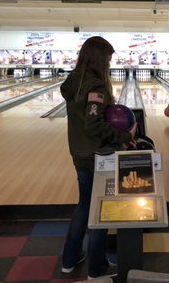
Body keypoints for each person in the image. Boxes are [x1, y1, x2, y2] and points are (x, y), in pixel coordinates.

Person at [60, 36, 137, 279]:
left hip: (80, 155)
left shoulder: (73, 82)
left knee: (84, 206)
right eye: (109, 59)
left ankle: (69, 260)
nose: (110, 64)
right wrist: (124, 136)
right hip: (98, 156)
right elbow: (94, 126)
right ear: (99, 58)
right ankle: (97, 267)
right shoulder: (96, 87)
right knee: (102, 210)